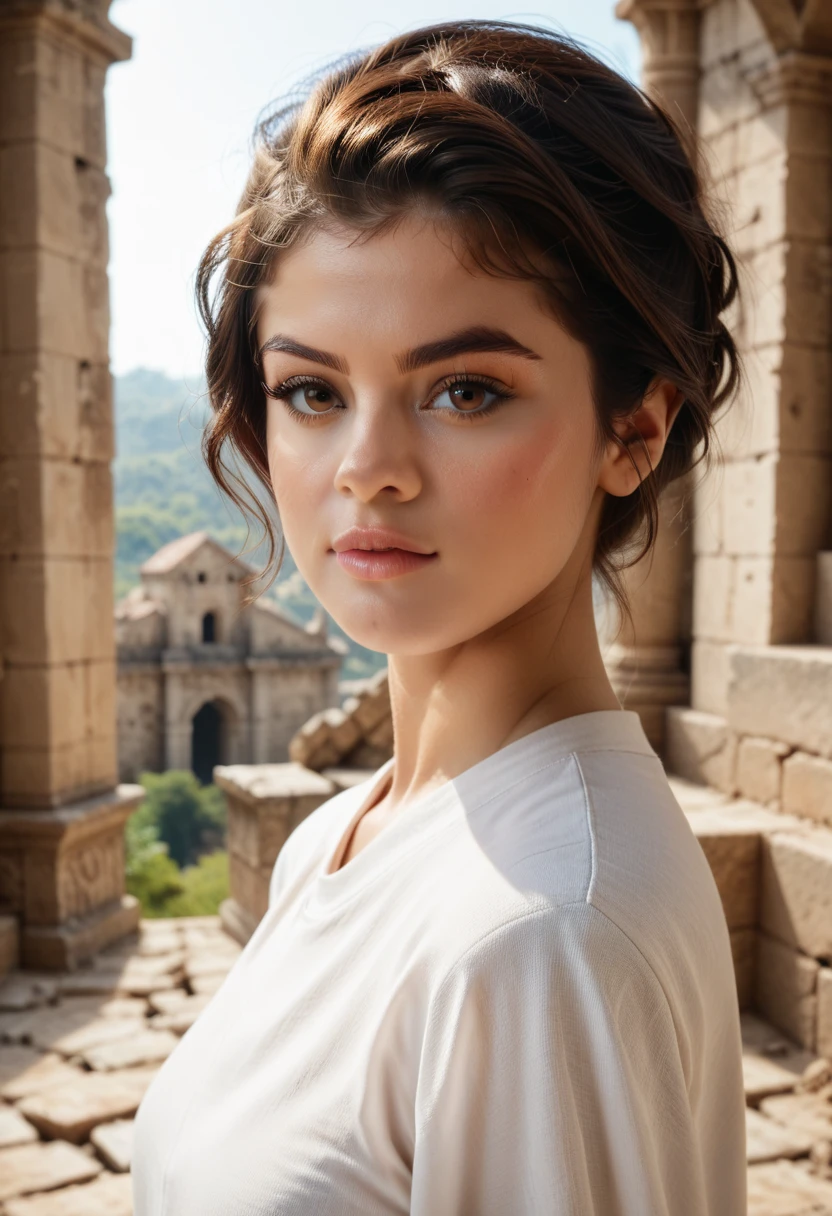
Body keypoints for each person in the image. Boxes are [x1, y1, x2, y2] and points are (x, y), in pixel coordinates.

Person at [131, 19, 747, 1215]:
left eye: (466, 390)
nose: (367, 468)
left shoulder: (537, 937)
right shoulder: (342, 837)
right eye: (312, 391)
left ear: (636, 428)